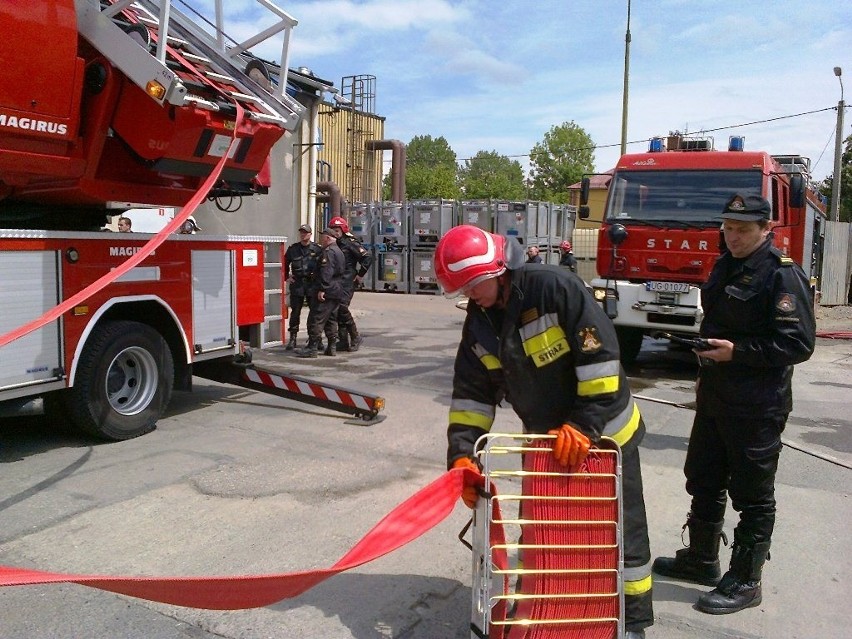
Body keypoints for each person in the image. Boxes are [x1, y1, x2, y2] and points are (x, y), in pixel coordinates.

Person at [436, 225, 653, 638]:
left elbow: (602, 365)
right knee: (546, 533)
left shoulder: (556, 288)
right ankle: (546, 612)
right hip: (546, 441)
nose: (469, 296)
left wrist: (584, 426)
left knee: (617, 535)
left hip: (608, 437)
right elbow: (471, 395)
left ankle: (631, 622)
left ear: (499, 269)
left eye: (473, 285)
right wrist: (461, 457)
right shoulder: (480, 322)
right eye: (461, 290)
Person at [652, 194, 815, 615]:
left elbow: (797, 343)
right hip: (715, 398)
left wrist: (735, 352)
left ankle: (746, 579)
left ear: (766, 230)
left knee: (753, 495)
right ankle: (703, 560)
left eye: (743, 229)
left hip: (757, 407)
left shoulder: (782, 276)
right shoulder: (727, 264)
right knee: (703, 478)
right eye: (728, 228)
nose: (734, 236)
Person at [297, 227, 345, 358]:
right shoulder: (339, 251)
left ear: (328, 238)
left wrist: (322, 289)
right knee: (331, 319)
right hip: (337, 289)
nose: (321, 240)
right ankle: (331, 346)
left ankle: (312, 348)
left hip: (327, 289)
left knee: (316, 318)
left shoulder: (328, 252)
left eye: (323, 237)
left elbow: (326, 272)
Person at [328, 215, 372, 352]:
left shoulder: (350, 242)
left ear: (343, 229)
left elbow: (367, 257)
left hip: (347, 281)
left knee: (342, 308)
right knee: (336, 310)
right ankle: (343, 341)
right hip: (335, 281)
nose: (335, 232)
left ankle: (355, 336)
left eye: (337, 229)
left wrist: (360, 275)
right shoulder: (333, 244)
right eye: (333, 229)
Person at [284, 224, 322, 350]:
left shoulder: (317, 249)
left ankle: (316, 339)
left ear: (310, 234)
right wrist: (286, 277)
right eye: (301, 232)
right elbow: (284, 262)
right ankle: (293, 338)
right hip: (298, 284)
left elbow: (323, 266)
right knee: (295, 312)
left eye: (305, 233)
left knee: (315, 313)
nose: (303, 235)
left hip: (312, 284)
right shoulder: (293, 249)